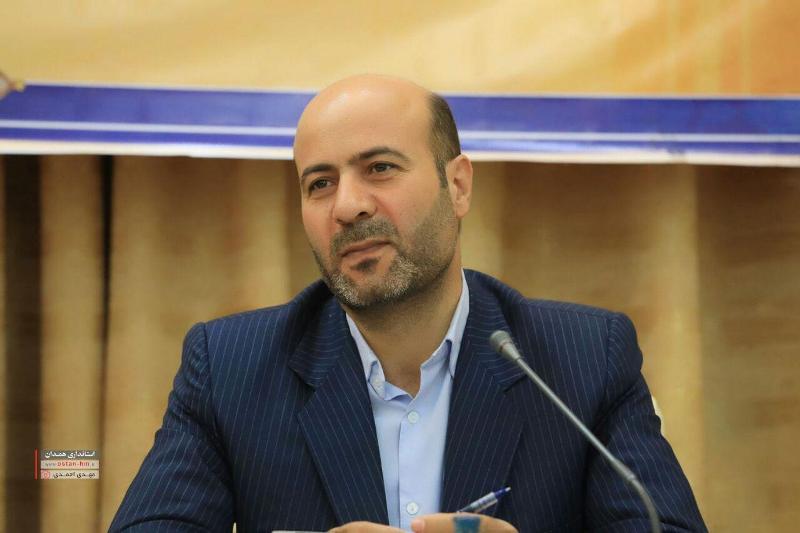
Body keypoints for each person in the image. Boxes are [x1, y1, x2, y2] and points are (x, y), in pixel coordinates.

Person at [111, 75, 706, 532]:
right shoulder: (229, 369)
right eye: (320, 183)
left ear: (458, 186)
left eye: (380, 168)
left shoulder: (582, 360)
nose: (347, 206)